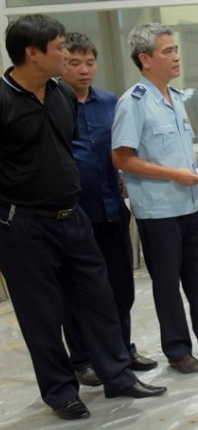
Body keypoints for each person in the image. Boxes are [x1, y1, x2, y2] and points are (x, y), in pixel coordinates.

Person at [0, 15, 165, 420]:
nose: (67, 56)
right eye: (59, 50)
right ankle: (60, 392)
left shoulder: (59, 95)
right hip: (23, 224)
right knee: (41, 312)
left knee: (99, 299)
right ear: (31, 53)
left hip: (73, 217)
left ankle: (117, 376)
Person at [112, 23, 198, 374]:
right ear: (145, 59)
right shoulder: (134, 103)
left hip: (189, 205)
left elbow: (172, 150)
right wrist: (175, 174)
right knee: (168, 284)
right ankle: (177, 350)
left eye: (176, 50)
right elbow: (123, 158)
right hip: (158, 210)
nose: (176, 57)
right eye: (168, 51)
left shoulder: (174, 98)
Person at [60, 31, 157, 387]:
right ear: (61, 64)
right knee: (78, 290)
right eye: (74, 63)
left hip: (112, 208)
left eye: (89, 62)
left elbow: (122, 149)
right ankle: (83, 358)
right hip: (74, 212)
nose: (84, 70)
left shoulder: (111, 102)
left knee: (120, 284)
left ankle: (122, 348)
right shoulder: (53, 102)